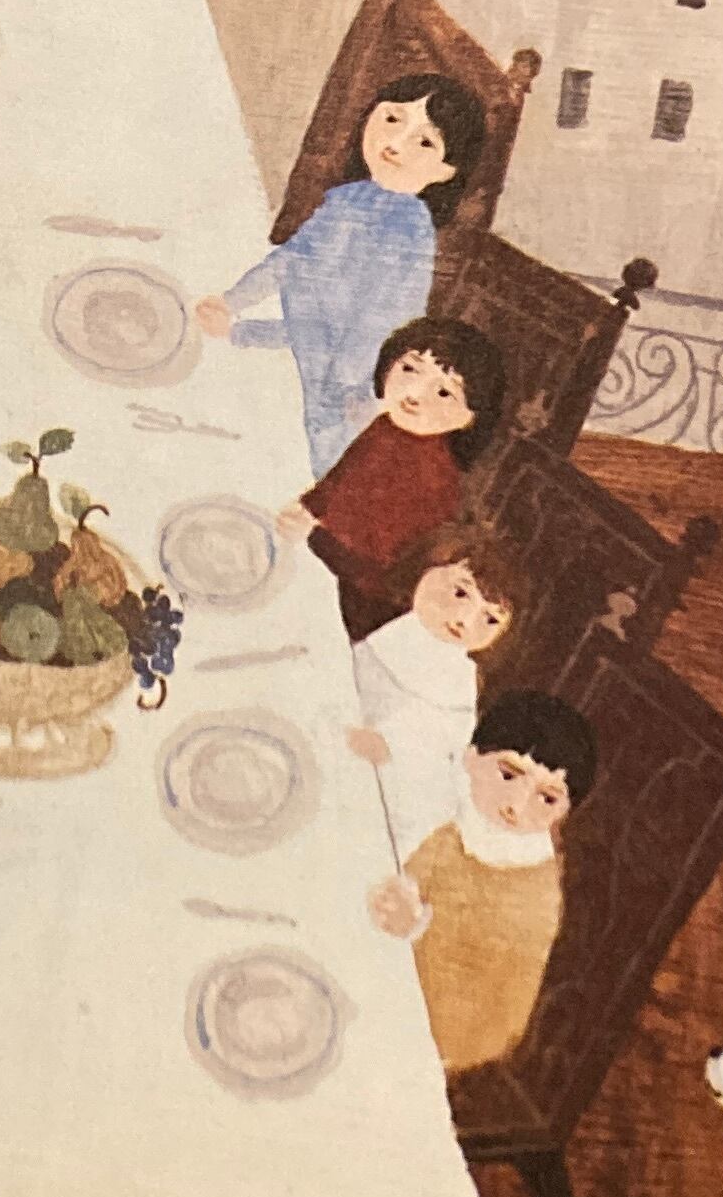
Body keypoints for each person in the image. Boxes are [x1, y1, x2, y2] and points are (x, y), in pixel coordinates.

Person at [196, 72, 487, 476]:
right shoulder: (348, 200)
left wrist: (353, 396)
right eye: (392, 119)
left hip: (346, 393)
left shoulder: (409, 231)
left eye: (424, 142)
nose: (396, 143)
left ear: (446, 171)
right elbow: (290, 262)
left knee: (312, 469)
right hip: (302, 360)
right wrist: (232, 304)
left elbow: (381, 330)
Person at [367, 690, 598, 1075]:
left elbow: (497, 1019)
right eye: (508, 775)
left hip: (426, 1039)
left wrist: (415, 929)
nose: (516, 805)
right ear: (471, 758)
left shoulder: (532, 894)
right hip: (382, 983)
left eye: (546, 799)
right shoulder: (457, 825)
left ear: (565, 811)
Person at [280, 314, 507, 637]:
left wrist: (317, 540)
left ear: (470, 418)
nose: (414, 394)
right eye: (410, 369)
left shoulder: (436, 479)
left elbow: (389, 571)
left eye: (444, 393)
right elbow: (340, 479)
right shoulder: (387, 427)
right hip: (321, 557)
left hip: (359, 599)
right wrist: (308, 508)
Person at [344, 527, 522, 864]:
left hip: (390, 791)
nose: (464, 620)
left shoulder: (457, 683)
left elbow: (438, 758)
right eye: (460, 593)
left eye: (489, 619)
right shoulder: (399, 629)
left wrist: (389, 748)